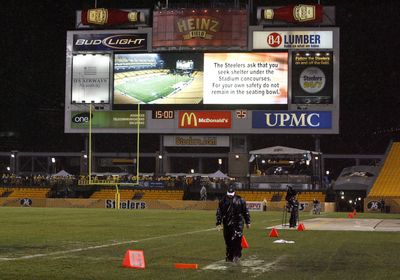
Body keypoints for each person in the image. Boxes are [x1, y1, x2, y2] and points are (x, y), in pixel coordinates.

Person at [216, 185, 251, 263]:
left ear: (234, 193)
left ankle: (237, 255)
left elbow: (245, 211)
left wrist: (248, 221)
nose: (230, 196)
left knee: (237, 240)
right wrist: (218, 223)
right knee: (228, 241)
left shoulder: (241, 200)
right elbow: (219, 212)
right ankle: (229, 256)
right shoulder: (222, 201)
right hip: (227, 223)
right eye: (229, 194)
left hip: (238, 223)